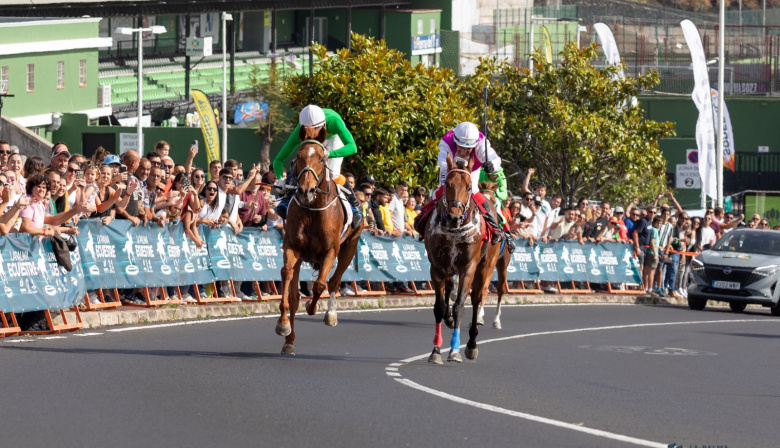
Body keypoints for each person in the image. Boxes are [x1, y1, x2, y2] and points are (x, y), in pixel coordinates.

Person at [273, 105, 363, 228]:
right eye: (307, 131)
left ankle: (355, 206)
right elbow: (279, 159)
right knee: (302, 163)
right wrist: (280, 180)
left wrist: (329, 154)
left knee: (332, 173)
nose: (312, 134)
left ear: (322, 126)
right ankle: (286, 200)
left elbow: (352, 147)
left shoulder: (334, 122)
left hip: (333, 139)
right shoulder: (300, 130)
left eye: (315, 130)